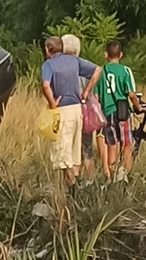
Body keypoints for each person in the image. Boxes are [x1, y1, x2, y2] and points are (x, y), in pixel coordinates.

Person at [40, 36, 101, 187]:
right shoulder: (74, 61)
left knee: (63, 153)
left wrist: (52, 103)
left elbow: (46, 85)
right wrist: (86, 92)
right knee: (74, 153)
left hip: (62, 111)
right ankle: (75, 187)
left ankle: (68, 189)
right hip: (77, 110)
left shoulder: (48, 64)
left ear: (48, 49)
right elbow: (97, 70)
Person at [94, 40, 141, 181]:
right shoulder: (125, 71)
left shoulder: (100, 72)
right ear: (121, 54)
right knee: (126, 143)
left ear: (105, 54)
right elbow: (131, 94)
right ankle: (125, 174)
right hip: (122, 112)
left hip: (106, 112)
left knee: (111, 145)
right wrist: (138, 106)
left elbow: (96, 96)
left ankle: (112, 176)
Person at [63, 34, 99, 180]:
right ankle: (90, 182)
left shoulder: (61, 68)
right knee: (87, 150)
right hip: (85, 114)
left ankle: (72, 182)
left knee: (70, 151)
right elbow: (94, 95)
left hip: (67, 112)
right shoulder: (86, 66)